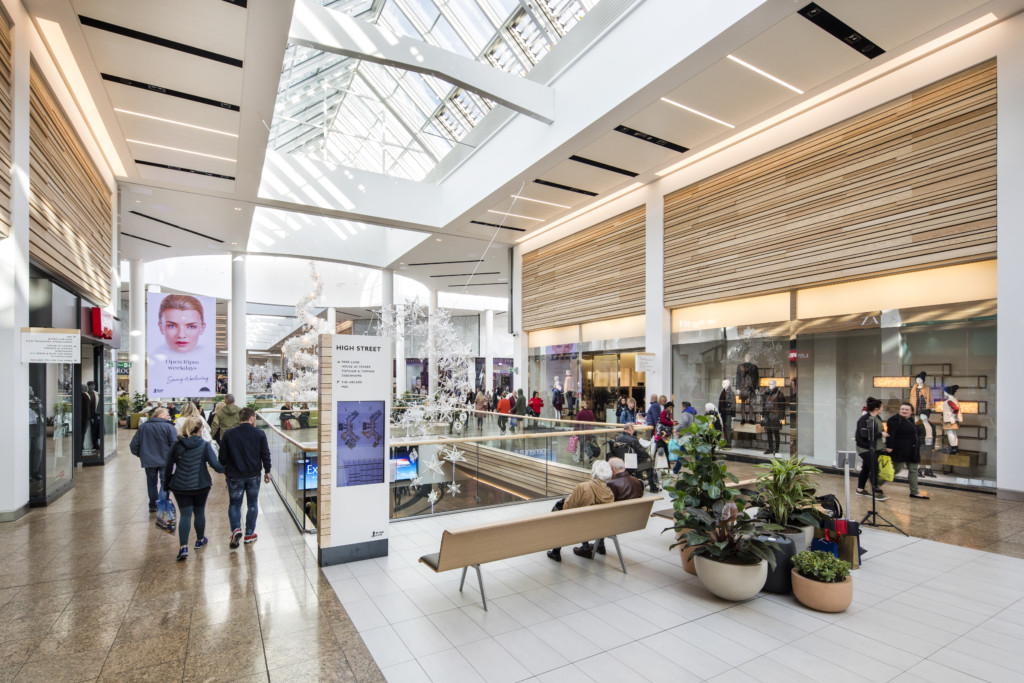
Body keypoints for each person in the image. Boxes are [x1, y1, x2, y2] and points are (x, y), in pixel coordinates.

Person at [165, 416, 224, 561]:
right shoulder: (204, 445)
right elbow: (215, 466)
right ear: (200, 429)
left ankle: (183, 547)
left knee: (185, 515)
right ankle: (200, 539)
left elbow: (168, 466)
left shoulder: (177, 444)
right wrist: (229, 468)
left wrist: (166, 484)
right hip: (200, 484)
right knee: (199, 513)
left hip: (180, 485)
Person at [220, 407, 272, 547]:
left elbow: (222, 458)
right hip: (253, 475)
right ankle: (249, 534)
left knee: (235, 504)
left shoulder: (229, 434)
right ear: (252, 418)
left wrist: (227, 468)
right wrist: (267, 470)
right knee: (252, 504)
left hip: (235, 475)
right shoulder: (259, 434)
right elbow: (265, 454)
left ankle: (236, 528)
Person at [574, 457, 643, 558]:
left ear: (611, 469)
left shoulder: (612, 484)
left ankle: (586, 549)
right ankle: (600, 546)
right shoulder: (636, 481)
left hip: (612, 523)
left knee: (585, 513)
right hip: (632, 521)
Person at [546, 460, 614, 562]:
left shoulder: (583, 487)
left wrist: (569, 498)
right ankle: (594, 546)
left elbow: (568, 507)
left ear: (594, 471)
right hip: (599, 526)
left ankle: (556, 551)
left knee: (559, 511)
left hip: (580, 525)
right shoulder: (609, 492)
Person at [149, 294, 214, 396]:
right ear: (161, 327)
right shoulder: (154, 365)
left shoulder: (208, 360)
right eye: (171, 326)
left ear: (202, 327)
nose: (181, 335)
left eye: (191, 326)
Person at [129, 407, 177, 512]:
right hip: (165, 460)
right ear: (160, 416)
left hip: (149, 461)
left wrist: (142, 455)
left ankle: (152, 505)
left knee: (151, 483)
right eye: (168, 415)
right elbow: (175, 445)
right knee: (165, 483)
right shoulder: (169, 427)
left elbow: (134, 445)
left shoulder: (143, 427)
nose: (170, 417)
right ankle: (161, 503)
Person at [887, 402, 930, 499]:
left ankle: (915, 492)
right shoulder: (894, 420)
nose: (904, 411)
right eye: (902, 409)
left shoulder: (910, 420)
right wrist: (889, 446)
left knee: (913, 470)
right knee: (894, 470)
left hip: (912, 452)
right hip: (900, 451)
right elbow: (891, 434)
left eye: (907, 409)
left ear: (911, 412)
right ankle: (876, 483)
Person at [855, 397, 888, 500]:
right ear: (876, 408)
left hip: (873, 448)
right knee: (874, 466)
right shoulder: (864, 419)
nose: (883, 408)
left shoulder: (877, 418)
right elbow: (864, 435)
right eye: (881, 407)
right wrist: (880, 434)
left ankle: (860, 489)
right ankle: (875, 490)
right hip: (864, 448)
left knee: (866, 467)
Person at [614, 423, 659, 492]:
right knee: (649, 463)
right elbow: (642, 453)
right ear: (631, 430)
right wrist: (649, 456)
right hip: (632, 465)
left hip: (620, 463)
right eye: (633, 430)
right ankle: (653, 487)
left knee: (638, 460)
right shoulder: (633, 440)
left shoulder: (617, 439)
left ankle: (639, 481)